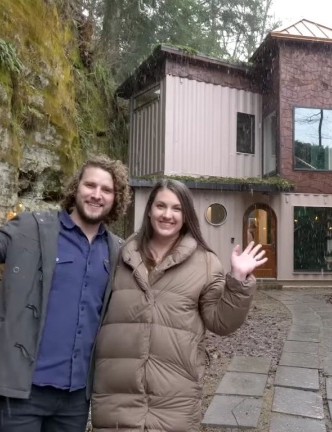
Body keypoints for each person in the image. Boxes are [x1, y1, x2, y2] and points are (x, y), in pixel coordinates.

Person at [0, 142, 131, 432]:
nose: (96, 194)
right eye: (90, 185)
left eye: (106, 190)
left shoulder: (117, 251)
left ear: (117, 199)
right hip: (21, 392)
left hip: (76, 397)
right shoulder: (31, 228)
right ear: (75, 188)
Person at [90, 179, 267, 431]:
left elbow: (221, 322)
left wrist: (238, 280)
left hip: (175, 399)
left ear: (186, 216)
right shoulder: (120, 254)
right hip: (117, 397)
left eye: (176, 208)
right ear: (149, 210)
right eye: (161, 206)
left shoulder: (205, 263)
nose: (167, 214)